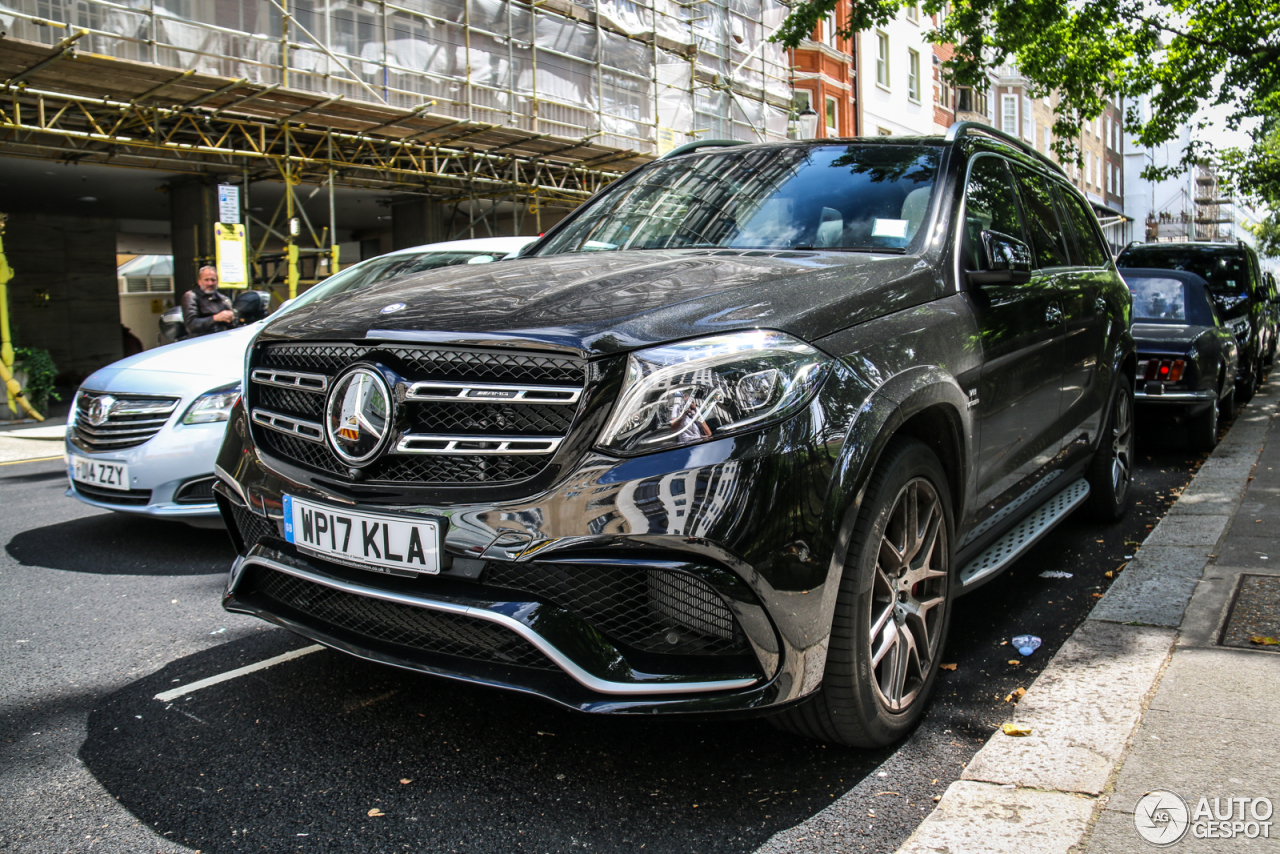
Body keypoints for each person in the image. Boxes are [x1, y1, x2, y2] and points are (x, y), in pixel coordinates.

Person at [181, 266, 235, 337]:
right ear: (199, 281)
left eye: (213, 280)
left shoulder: (223, 299)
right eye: (206, 280)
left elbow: (234, 325)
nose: (210, 283)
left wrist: (231, 319)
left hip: (222, 339)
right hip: (201, 342)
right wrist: (215, 318)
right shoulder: (191, 297)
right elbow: (191, 326)